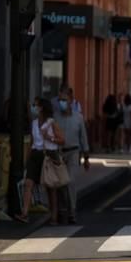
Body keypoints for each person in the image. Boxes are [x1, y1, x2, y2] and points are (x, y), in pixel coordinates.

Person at [15, 98, 65, 225]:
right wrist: (27, 160)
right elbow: (32, 142)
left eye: (35, 105)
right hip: (35, 154)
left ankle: (54, 216)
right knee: (28, 183)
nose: (33, 107)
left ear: (42, 107)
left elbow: (62, 140)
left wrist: (49, 137)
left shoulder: (51, 123)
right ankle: (25, 213)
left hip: (49, 155)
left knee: (50, 187)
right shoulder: (34, 123)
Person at [54, 89, 90, 224]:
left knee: (70, 181)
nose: (62, 103)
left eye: (64, 100)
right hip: (59, 153)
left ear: (71, 100)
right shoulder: (55, 117)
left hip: (74, 153)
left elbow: (83, 138)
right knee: (60, 184)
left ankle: (72, 211)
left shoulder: (78, 117)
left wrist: (86, 157)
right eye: (60, 100)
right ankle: (62, 210)